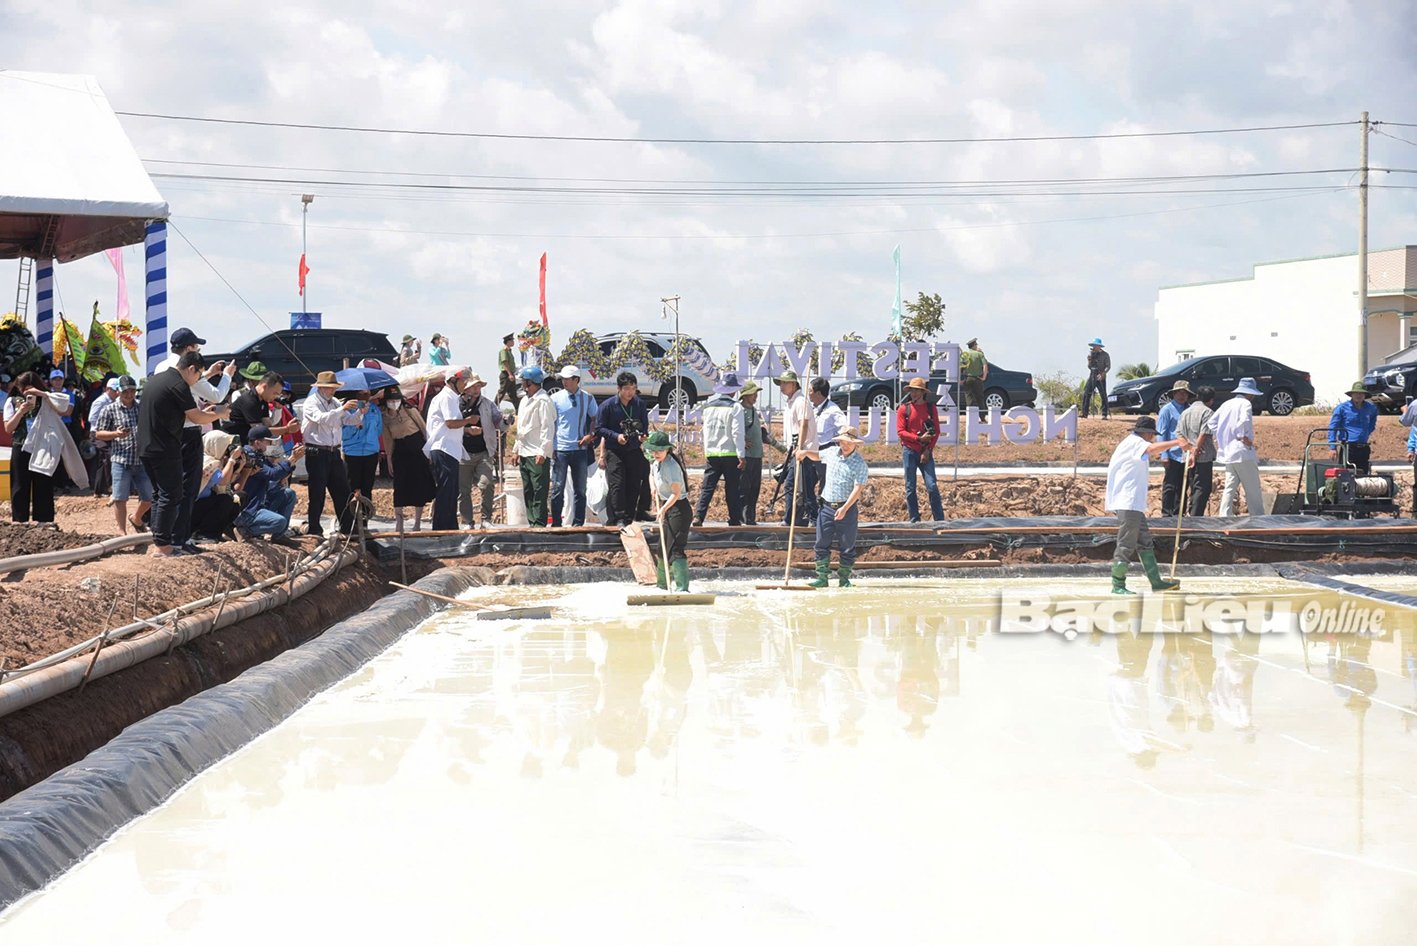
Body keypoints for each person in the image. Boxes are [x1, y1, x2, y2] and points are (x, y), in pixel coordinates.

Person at [139, 352, 232, 555]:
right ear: (191, 369)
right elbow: (196, 417)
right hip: (164, 447)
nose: (198, 380)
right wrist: (220, 413)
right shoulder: (178, 384)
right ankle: (163, 546)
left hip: (146, 446)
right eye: (199, 375)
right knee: (171, 494)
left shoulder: (156, 379)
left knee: (159, 494)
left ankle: (158, 540)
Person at [156, 327, 237, 552]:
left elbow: (193, 385)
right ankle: (181, 539)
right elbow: (216, 396)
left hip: (167, 433)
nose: (198, 350)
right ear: (189, 348)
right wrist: (227, 375)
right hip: (189, 431)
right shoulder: (182, 368)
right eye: (196, 347)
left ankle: (165, 538)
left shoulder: (162, 366)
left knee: (167, 489)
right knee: (188, 487)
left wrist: (207, 374)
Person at [1106, 416, 1188, 594]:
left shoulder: (1134, 444)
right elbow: (1151, 449)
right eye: (1151, 435)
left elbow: (1149, 450)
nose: (1152, 438)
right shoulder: (1135, 442)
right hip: (1127, 502)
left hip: (1134, 504)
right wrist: (1177, 442)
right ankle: (1118, 585)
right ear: (1146, 433)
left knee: (1144, 542)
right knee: (1126, 543)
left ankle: (1156, 581)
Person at [3, 370, 82, 523]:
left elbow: (64, 409)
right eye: (23, 388)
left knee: (43, 484)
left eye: (30, 388)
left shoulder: (47, 399)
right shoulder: (12, 401)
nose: (27, 392)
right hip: (21, 445)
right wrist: (20, 411)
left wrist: (43, 394)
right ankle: (20, 520)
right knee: (19, 484)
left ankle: (44, 520)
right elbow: (8, 428)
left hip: (43, 446)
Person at [799, 426, 870, 588]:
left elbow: (858, 489)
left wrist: (844, 508)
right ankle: (822, 577)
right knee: (821, 542)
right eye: (843, 442)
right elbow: (817, 456)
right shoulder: (831, 452)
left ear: (855, 444)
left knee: (847, 545)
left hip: (847, 508)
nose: (845, 445)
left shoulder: (859, 464)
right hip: (826, 507)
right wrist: (804, 453)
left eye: (849, 443)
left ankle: (844, 579)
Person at [300, 370, 360, 538]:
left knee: (342, 489)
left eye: (334, 388)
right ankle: (314, 528)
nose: (333, 391)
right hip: (316, 451)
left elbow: (347, 420)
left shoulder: (334, 402)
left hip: (333, 451)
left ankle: (347, 527)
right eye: (330, 388)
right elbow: (322, 419)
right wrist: (342, 409)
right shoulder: (311, 403)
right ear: (321, 388)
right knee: (317, 491)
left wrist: (359, 413)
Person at [93, 375, 151, 534]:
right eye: (126, 391)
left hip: (141, 460)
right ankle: (121, 531)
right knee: (120, 498)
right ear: (119, 391)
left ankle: (136, 518)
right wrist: (116, 434)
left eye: (132, 390)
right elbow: (98, 433)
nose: (129, 394)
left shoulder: (141, 407)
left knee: (149, 497)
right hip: (120, 459)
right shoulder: (109, 409)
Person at [596, 371, 652, 527]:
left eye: (633, 388)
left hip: (633, 449)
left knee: (634, 483)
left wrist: (642, 436)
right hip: (614, 450)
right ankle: (618, 516)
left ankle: (629, 516)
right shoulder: (607, 406)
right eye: (627, 388)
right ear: (619, 389)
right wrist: (616, 436)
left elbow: (644, 426)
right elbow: (599, 429)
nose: (630, 392)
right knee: (617, 484)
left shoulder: (639, 404)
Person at [424, 366, 477, 530]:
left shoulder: (450, 397)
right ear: (453, 380)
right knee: (446, 492)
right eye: (463, 381)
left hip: (448, 449)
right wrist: (469, 421)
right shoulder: (447, 398)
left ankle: (447, 527)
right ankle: (443, 529)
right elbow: (450, 423)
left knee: (450, 492)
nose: (464, 385)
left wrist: (466, 429)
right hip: (444, 449)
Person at [693, 371, 747, 527]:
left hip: (712, 452)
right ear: (734, 390)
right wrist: (741, 455)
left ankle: (699, 516)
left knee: (707, 487)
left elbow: (706, 431)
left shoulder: (708, 407)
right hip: (730, 452)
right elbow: (737, 432)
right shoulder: (736, 407)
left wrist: (707, 451)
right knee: (732, 489)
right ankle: (734, 520)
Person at [380, 385, 437, 532]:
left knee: (420, 483)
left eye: (396, 399)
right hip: (400, 449)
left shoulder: (410, 411)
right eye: (391, 400)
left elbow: (424, 429)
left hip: (417, 446)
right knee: (400, 485)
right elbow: (387, 439)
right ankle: (399, 522)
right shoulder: (384, 417)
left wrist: (429, 451)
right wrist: (389, 458)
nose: (394, 402)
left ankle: (417, 523)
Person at [236, 425, 304, 542]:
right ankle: (244, 530)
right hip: (249, 509)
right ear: (257, 443)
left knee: (288, 493)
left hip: (259, 503)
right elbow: (273, 474)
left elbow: (278, 470)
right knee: (279, 522)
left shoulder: (258, 455)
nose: (269, 445)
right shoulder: (249, 457)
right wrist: (292, 458)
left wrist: (294, 458)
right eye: (267, 442)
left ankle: (279, 537)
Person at [1207, 377, 1263, 516]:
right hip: (1242, 451)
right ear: (1250, 393)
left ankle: (1224, 515)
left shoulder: (1227, 403)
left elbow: (1212, 422)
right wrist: (1243, 436)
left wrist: (1222, 437)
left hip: (1228, 452)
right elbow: (1244, 420)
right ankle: (1258, 517)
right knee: (1253, 488)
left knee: (1230, 485)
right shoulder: (1245, 404)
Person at [643, 430, 691, 592]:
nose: (656, 454)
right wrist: (653, 488)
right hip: (667, 507)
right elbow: (651, 474)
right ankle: (662, 585)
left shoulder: (671, 466)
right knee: (661, 547)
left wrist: (663, 508)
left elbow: (676, 493)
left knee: (675, 549)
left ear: (667, 450)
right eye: (654, 450)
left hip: (679, 509)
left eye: (660, 450)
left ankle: (682, 588)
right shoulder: (656, 462)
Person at [550, 364, 597, 527]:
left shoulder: (588, 398)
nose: (564, 382)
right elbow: (551, 423)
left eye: (567, 379)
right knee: (557, 489)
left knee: (580, 490)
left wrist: (589, 436)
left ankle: (578, 523)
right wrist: (552, 446)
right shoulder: (555, 398)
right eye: (562, 379)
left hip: (580, 449)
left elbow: (595, 418)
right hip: (561, 449)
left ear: (576, 380)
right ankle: (556, 523)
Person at [895, 376, 944, 522]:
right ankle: (914, 519)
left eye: (917, 391)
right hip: (909, 451)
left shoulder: (931, 407)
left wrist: (928, 449)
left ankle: (940, 520)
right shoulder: (904, 408)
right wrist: (918, 439)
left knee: (932, 486)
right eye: (912, 390)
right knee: (910, 487)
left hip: (925, 451)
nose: (914, 393)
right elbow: (900, 432)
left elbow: (936, 431)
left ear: (923, 392)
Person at [456, 373, 501, 528]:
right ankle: (468, 521)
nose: (476, 389)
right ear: (466, 388)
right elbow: (450, 426)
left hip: (484, 451)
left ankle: (486, 519)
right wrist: (467, 431)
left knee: (487, 484)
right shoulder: (456, 404)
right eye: (473, 386)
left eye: (478, 386)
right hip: (463, 452)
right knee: (464, 490)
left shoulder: (488, 404)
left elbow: (498, 420)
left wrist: (505, 421)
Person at [774, 370, 819, 527]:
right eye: (781, 383)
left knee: (803, 486)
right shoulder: (791, 402)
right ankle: (793, 518)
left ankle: (812, 517)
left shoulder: (800, 402)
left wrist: (800, 447)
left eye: (785, 383)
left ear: (793, 384)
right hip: (796, 450)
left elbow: (803, 425)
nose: (782, 386)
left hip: (804, 451)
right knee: (795, 485)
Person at [737, 381, 783, 526]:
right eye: (753, 394)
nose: (756, 396)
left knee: (754, 489)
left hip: (756, 456)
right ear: (745, 395)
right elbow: (735, 430)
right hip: (747, 456)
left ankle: (750, 518)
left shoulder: (753, 411)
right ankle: (744, 518)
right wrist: (742, 440)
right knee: (744, 489)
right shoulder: (740, 411)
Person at [515, 365, 556, 528]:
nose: (523, 385)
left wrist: (543, 451)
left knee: (539, 490)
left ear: (531, 382)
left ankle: (539, 523)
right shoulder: (525, 400)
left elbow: (547, 428)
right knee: (528, 490)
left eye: (525, 382)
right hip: (525, 451)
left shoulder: (543, 401)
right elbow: (521, 428)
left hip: (537, 452)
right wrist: (516, 449)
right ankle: (532, 522)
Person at [341, 386, 384, 526]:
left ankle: (364, 522)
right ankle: (350, 522)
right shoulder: (347, 409)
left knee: (367, 488)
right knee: (351, 488)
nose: (365, 397)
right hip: (352, 453)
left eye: (367, 394)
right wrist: (356, 425)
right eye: (362, 395)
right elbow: (343, 434)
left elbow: (378, 430)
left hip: (371, 452)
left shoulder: (374, 410)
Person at [192, 430, 246, 541]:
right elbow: (222, 481)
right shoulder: (207, 462)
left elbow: (225, 486)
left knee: (239, 497)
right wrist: (231, 460)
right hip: (192, 508)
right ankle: (203, 535)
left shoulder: (214, 461)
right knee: (225, 500)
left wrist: (240, 469)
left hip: (201, 505)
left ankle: (216, 532)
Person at [1176, 385, 1218, 516]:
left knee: (1193, 486)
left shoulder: (1185, 412)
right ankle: (1195, 517)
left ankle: (1190, 513)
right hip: (1202, 455)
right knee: (1202, 488)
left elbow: (1179, 433)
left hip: (1187, 456)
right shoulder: (1207, 412)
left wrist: (1189, 449)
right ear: (1210, 400)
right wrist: (1195, 450)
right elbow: (1204, 433)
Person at [1157, 380, 1193, 517]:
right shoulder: (1167, 410)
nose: (1182, 396)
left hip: (1186, 455)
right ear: (1174, 394)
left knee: (1182, 486)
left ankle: (1180, 513)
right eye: (1179, 393)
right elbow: (1162, 432)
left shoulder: (1188, 410)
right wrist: (1164, 454)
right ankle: (1166, 513)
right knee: (1170, 486)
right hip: (1172, 454)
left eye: (1185, 393)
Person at [1329, 381, 1379, 475]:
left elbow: (1372, 422)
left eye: (1361, 393)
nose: (1358, 395)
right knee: (1346, 475)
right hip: (1348, 447)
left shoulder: (1371, 408)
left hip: (1363, 447)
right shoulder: (1342, 408)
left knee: (1363, 474)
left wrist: (1366, 433)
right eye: (1356, 393)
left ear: (1365, 395)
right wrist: (1333, 447)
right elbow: (1333, 427)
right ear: (1351, 394)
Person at [809, 376, 846, 505]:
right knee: (806, 485)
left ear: (818, 393)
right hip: (811, 451)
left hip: (826, 452)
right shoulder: (811, 409)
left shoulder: (833, 410)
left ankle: (822, 513)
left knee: (824, 485)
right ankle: (809, 513)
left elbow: (844, 428)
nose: (809, 394)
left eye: (810, 391)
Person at [225, 370, 285, 443]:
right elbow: (259, 431)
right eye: (275, 393)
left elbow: (267, 425)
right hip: (233, 441)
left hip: (247, 441)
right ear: (265, 387)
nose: (276, 397)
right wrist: (286, 429)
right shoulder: (249, 400)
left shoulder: (263, 400)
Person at [86, 376, 122, 496]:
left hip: (107, 434)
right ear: (108, 389)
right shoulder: (100, 401)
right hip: (97, 433)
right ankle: (110, 486)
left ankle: (99, 489)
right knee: (109, 455)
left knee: (103, 461)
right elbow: (92, 418)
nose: (117, 392)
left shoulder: (114, 402)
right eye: (115, 390)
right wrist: (103, 426)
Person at [1081, 338, 1111, 419]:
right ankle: (1084, 413)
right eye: (1094, 346)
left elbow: (1108, 366)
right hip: (1092, 375)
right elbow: (1089, 366)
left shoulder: (1105, 355)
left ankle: (1104, 414)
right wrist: (1090, 359)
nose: (1094, 347)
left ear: (1099, 346)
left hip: (1101, 376)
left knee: (1103, 395)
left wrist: (1102, 374)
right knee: (1087, 393)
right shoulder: (1091, 354)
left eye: (1096, 346)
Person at [959, 337, 988, 410]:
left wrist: (959, 379)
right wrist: (984, 377)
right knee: (980, 398)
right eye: (976, 344)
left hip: (967, 378)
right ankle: (982, 417)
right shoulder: (979, 354)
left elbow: (960, 367)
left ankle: (970, 416)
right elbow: (985, 365)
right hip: (977, 378)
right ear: (974, 345)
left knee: (969, 397)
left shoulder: (965, 355)